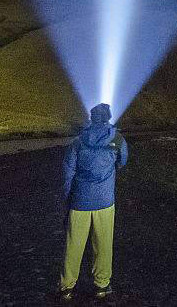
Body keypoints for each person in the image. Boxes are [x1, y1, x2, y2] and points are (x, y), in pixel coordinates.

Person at [58, 103, 128, 301]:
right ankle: (101, 286)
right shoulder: (117, 139)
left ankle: (67, 288)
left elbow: (68, 171)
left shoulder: (78, 142)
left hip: (79, 201)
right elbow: (122, 161)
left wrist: (67, 198)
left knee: (73, 246)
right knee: (104, 245)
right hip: (105, 201)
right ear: (108, 117)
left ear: (91, 117)